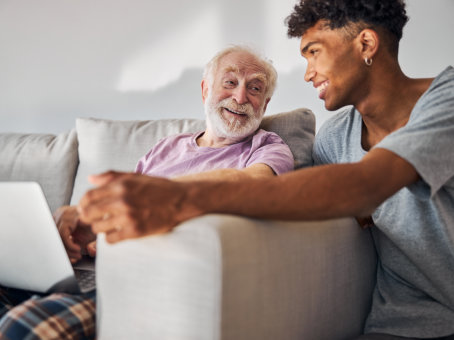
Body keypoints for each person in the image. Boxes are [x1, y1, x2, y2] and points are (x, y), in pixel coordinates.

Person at [76, 1, 454, 339]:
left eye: (313, 53)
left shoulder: (447, 97)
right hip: (397, 324)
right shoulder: (335, 138)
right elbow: (322, 203)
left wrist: (180, 196)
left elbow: (366, 185)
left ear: (366, 45)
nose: (308, 74)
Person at [0, 45, 295, 340]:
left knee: (20, 328)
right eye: (230, 82)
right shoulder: (167, 147)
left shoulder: (268, 148)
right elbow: (124, 208)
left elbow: (258, 184)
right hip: (96, 267)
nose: (241, 97)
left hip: (146, 281)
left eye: (254, 88)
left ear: (265, 104)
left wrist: (162, 195)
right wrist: (81, 221)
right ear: (206, 90)